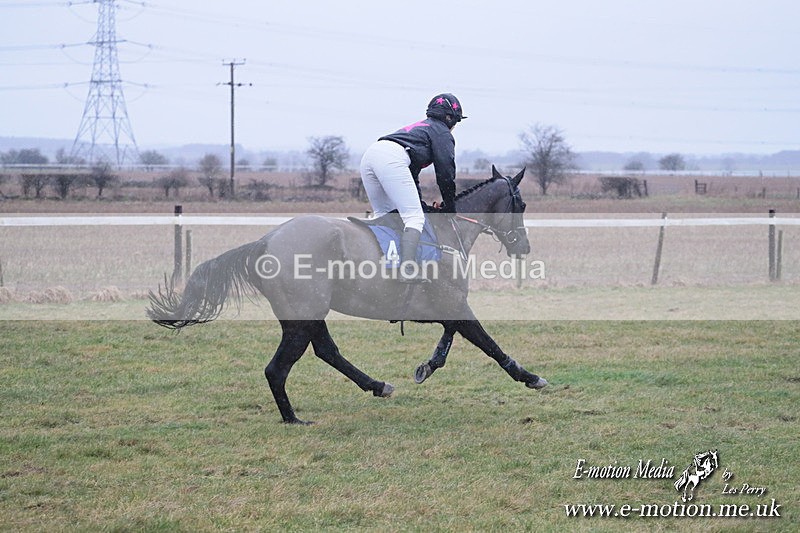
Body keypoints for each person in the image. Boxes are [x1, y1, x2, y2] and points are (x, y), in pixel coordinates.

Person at [359, 93, 466, 283]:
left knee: (386, 215)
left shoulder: (421, 128)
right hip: (391, 159)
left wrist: (421, 204)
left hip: (371, 155)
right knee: (414, 218)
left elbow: (410, 176)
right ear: (449, 118)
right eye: (456, 121)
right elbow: (445, 175)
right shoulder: (442, 133)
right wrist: (450, 207)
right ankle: (407, 269)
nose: (455, 127)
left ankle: (381, 267)